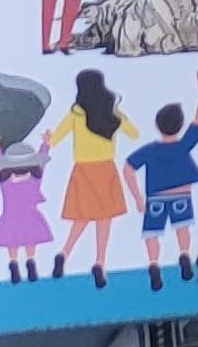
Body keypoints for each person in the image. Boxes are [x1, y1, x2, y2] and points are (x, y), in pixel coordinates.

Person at [41, 66, 138, 291]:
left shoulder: (76, 113)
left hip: (83, 170)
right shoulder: (112, 113)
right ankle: (99, 262)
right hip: (106, 169)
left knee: (82, 217)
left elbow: (54, 139)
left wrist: (46, 140)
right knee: (104, 219)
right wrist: (119, 112)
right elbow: (134, 134)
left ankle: (64, 253)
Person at [125, 79, 198, 290]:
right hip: (181, 195)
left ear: (157, 125)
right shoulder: (183, 145)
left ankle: (154, 264)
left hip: (155, 198)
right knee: (182, 228)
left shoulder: (150, 150)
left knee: (152, 234)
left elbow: (128, 168)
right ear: (180, 125)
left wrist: (137, 197)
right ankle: (184, 254)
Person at [0, 134, 58, 285]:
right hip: (30, 216)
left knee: (12, 241)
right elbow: (42, 162)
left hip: (10, 216)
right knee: (29, 239)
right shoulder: (35, 178)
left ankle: (14, 263)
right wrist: (45, 144)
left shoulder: (5, 180)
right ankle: (30, 261)